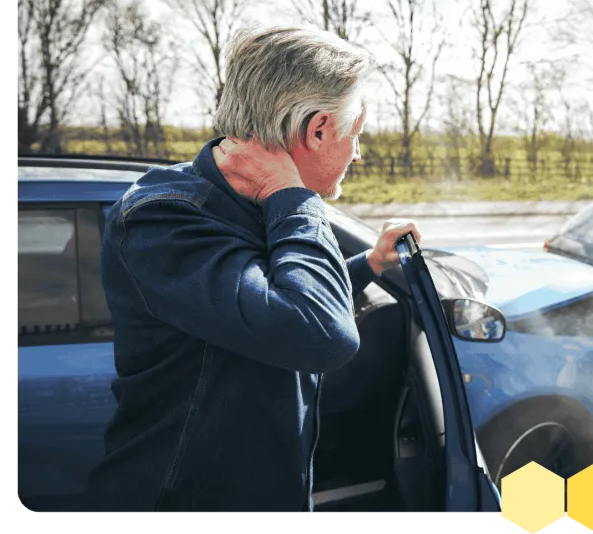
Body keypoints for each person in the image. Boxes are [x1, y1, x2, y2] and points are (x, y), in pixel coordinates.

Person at [80, 26, 422, 516]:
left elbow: (270, 304)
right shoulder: (164, 218)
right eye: (356, 133)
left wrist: (366, 264)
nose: (358, 152)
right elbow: (321, 334)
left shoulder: (251, 202)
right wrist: (293, 198)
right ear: (318, 129)